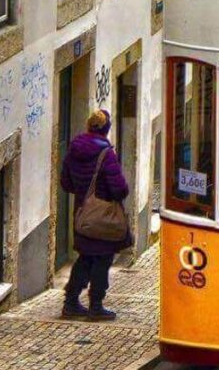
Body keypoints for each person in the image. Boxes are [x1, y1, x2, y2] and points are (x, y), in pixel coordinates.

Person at [60, 109, 132, 321]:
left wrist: (84, 193)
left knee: (85, 258)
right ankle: (96, 306)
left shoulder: (74, 149)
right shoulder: (106, 154)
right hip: (103, 217)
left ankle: (71, 302)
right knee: (102, 259)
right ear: (106, 129)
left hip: (83, 213)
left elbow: (66, 182)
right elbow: (119, 189)